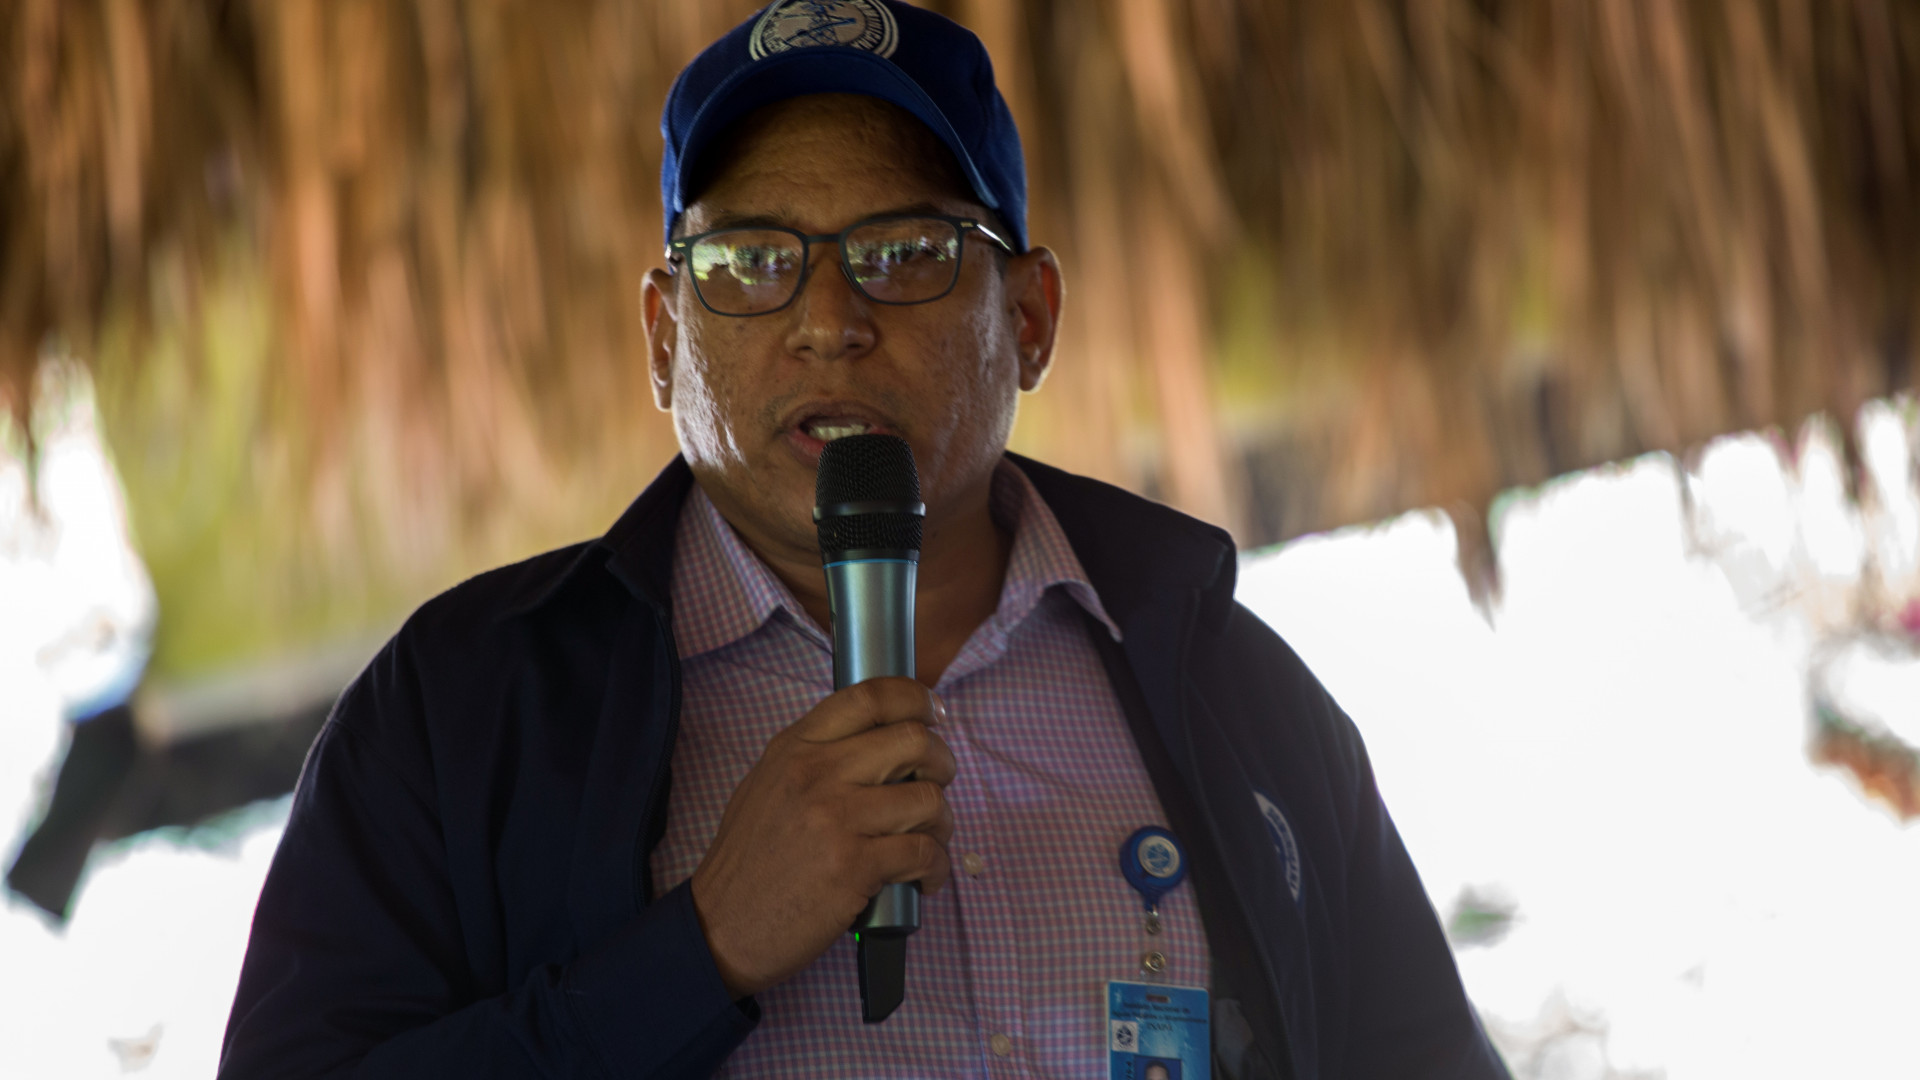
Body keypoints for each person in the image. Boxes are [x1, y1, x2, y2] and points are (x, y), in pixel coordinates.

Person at [219, 3, 1509, 1078]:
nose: (828, 319)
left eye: (904, 251)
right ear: (665, 339)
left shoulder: (1231, 689)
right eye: (748, 262)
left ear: (1032, 319)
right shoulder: (466, 711)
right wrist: (701, 949)